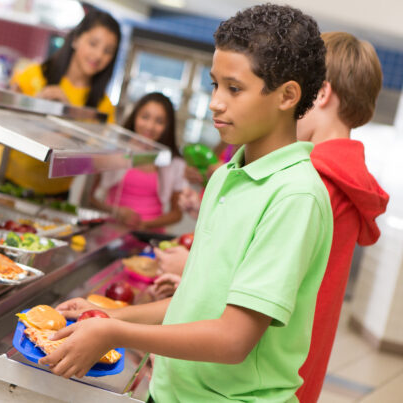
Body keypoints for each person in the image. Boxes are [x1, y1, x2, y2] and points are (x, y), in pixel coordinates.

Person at [39, 5, 333, 402]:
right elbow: (194, 302)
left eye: (234, 88)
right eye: (214, 85)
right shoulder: (228, 175)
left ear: (287, 96)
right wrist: (110, 314)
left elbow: (233, 339)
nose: (214, 102)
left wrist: (115, 333)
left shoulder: (295, 196)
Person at [295, 32, 389, 403]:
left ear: (319, 93)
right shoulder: (347, 177)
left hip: (269, 369)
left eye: (293, 89)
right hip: (306, 364)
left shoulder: (312, 180)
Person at [0, 9, 121, 197]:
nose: (98, 55)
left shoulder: (104, 105)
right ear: (75, 39)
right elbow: (0, 120)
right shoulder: (33, 74)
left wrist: (70, 117)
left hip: (55, 194)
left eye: (108, 51)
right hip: (6, 178)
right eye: (93, 44)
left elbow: (100, 161)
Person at [89, 92, 187, 230]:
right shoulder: (114, 152)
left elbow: (177, 214)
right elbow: (90, 198)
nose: (150, 126)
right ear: (135, 117)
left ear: (167, 127)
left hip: (150, 235)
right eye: (145, 117)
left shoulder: (174, 162)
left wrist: (145, 224)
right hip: (110, 230)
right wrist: (116, 212)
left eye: (159, 121)